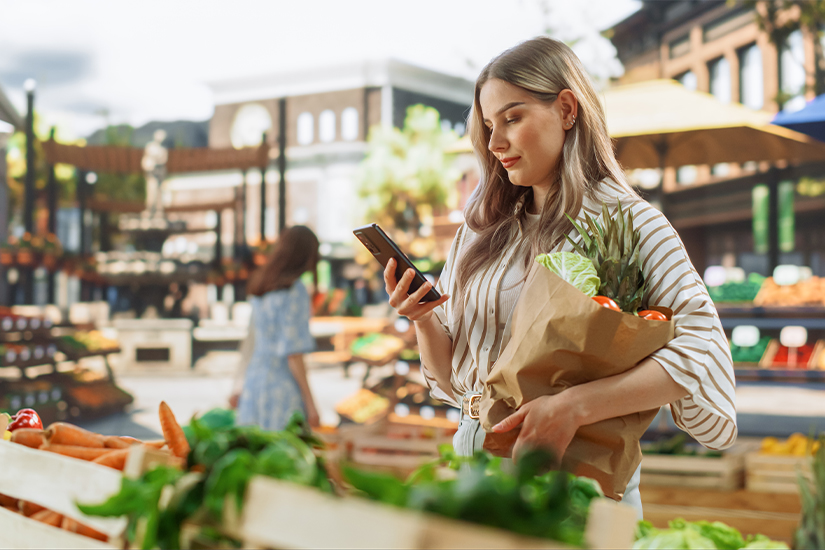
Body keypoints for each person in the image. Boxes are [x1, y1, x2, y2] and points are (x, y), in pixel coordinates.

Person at [383, 37, 736, 519]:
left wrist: (574, 406)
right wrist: (424, 319)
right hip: (473, 462)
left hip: (577, 478)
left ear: (567, 109)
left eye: (512, 118)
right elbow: (454, 382)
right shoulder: (481, 228)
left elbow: (703, 348)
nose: (494, 143)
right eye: (488, 126)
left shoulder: (631, 224)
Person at [233, 225, 321, 430]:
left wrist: (237, 384)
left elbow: (250, 341)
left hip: (253, 384)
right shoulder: (295, 290)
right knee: (281, 456)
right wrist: (311, 403)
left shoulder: (262, 286)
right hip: (282, 390)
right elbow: (293, 353)